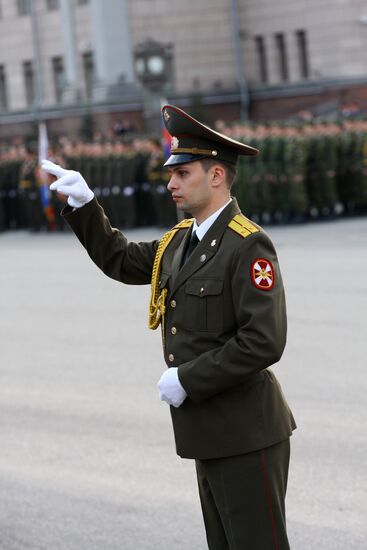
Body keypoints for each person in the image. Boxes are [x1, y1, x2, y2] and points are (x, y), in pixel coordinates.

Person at [42, 104, 296, 550]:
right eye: (171, 173)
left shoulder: (247, 243)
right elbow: (121, 259)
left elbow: (264, 341)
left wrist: (187, 378)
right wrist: (85, 205)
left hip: (246, 431)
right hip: (209, 430)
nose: (171, 182)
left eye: (183, 173)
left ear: (216, 176)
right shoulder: (181, 240)